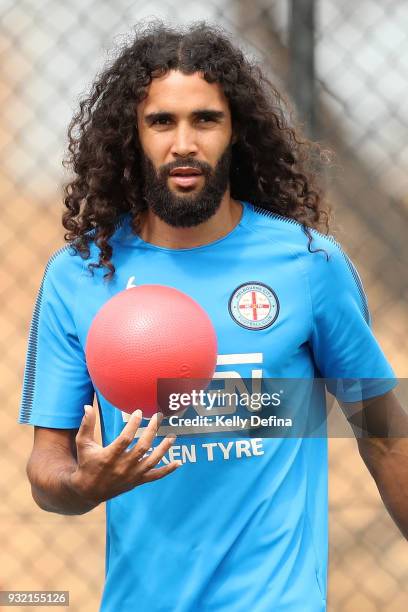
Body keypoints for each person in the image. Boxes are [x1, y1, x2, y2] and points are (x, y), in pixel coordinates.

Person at [18, 21, 408, 612]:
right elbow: (49, 468)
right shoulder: (80, 275)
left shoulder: (307, 265)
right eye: (161, 121)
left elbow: (383, 432)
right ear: (132, 135)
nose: (183, 143)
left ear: (235, 132)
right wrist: (82, 484)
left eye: (205, 119)